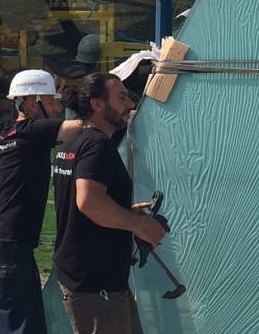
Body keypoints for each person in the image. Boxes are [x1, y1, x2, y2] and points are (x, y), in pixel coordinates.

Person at [52, 73, 167, 334]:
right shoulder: (97, 145)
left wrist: (124, 211)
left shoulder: (73, 143)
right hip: (96, 284)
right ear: (98, 104)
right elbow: (88, 201)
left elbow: (84, 201)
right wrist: (138, 225)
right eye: (122, 97)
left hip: (93, 280)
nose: (130, 105)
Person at [0, 69, 83, 334]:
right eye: (52, 102)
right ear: (33, 103)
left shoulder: (3, 132)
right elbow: (84, 127)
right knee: (21, 327)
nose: (57, 108)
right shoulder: (32, 132)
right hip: (8, 249)